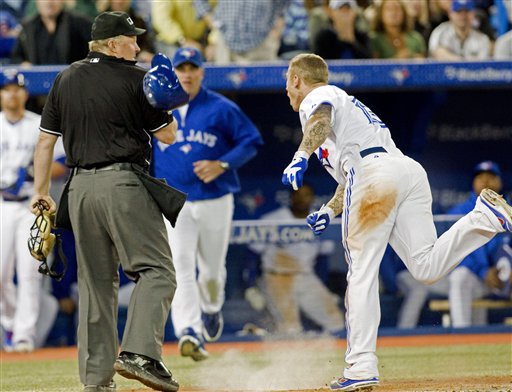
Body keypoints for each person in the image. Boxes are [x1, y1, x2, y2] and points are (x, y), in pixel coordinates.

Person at [281, 53, 512, 391]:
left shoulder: (316, 95)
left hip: (375, 173)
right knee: (426, 266)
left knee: (361, 271)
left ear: (297, 79)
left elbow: (321, 119)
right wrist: (330, 211)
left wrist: (300, 155)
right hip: (403, 171)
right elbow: (351, 176)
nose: (287, 90)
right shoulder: (345, 105)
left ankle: (360, 366)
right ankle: (484, 218)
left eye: (288, 82)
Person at [31, 11, 181, 392]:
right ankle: (139, 354)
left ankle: (96, 381)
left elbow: (46, 141)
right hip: (122, 184)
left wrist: (41, 191)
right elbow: (168, 136)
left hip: (78, 190)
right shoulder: (136, 78)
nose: (137, 44)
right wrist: (169, 98)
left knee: (96, 286)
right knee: (157, 270)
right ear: (113, 43)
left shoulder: (65, 78)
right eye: (132, 39)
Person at [152, 47, 263, 361]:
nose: (186, 74)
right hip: (175, 200)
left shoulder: (220, 107)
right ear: (173, 72)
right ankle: (189, 330)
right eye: (181, 68)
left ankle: (212, 309)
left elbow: (251, 140)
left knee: (211, 272)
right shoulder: (157, 107)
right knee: (180, 266)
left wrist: (223, 164)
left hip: (215, 197)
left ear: (202, 72)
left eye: (192, 68)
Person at [0, 70, 62, 353]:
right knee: (1, 274)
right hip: (2, 204)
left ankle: (25, 335)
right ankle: (11, 322)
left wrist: (34, 175)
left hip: (31, 206)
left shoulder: (39, 125)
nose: (13, 93)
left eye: (18, 88)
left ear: (25, 93)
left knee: (29, 271)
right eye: (7, 89)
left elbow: (63, 164)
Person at [248, 184, 344, 336]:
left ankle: (329, 354)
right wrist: (251, 285)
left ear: (312, 198)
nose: (302, 199)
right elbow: (253, 254)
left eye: (306, 195)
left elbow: (323, 259)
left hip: (306, 276)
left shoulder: (321, 219)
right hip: (276, 277)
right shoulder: (273, 219)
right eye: (298, 195)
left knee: (336, 322)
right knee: (290, 329)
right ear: (291, 197)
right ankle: (288, 357)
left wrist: (325, 286)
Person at [194, 0, 290, 64]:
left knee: (266, 90)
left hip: (262, 43)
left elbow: (284, 4)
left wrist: (276, 30)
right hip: (225, 42)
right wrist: (213, 22)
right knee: (223, 89)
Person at [10, 0, 92, 65]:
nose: (49, 2)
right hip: (38, 82)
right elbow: (16, 58)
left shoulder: (81, 23)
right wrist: (24, 64)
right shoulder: (27, 27)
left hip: (73, 81)